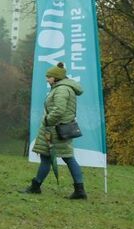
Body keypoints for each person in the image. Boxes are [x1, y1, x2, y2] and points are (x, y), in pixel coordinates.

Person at [22, 62, 88, 199]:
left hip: (55, 129)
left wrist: (47, 121)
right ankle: (78, 189)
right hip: (58, 128)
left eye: (49, 76)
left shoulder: (62, 89)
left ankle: (37, 187)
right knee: (56, 157)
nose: (47, 79)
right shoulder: (61, 87)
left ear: (56, 78)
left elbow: (58, 110)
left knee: (60, 157)